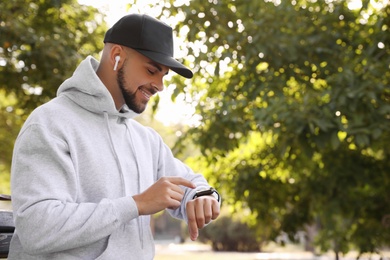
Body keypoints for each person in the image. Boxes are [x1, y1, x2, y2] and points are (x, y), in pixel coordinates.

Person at [9, 13, 221, 259]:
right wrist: (136, 205)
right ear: (116, 56)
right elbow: (36, 229)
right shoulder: (50, 124)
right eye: (152, 70)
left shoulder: (145, 139)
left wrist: (203, 196)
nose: (159, 85)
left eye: (163, 75)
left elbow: (191, 184)